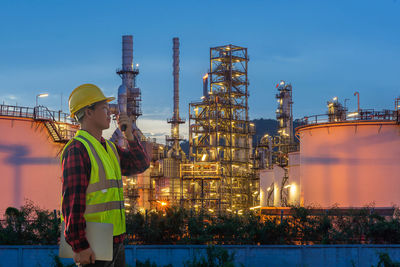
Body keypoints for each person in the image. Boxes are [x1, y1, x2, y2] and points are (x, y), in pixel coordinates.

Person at [61, 83, 150, 266]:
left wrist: (129, 135)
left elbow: (140, 164)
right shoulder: (77, 149)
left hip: (115, 241)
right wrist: (79, 246)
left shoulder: (109, 148)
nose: (110, 112)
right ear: (89, 112)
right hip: (93, 246)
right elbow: (72, 203)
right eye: (104, 108)